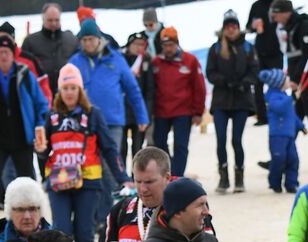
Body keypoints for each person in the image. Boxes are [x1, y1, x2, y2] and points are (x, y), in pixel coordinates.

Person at [39, 64, 126, 242]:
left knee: (85, 236)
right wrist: (39, 151)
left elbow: (108, 147)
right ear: (60, 91)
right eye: (66, 88)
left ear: (80, 90)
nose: (69, 92)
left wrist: (123, 178)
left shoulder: (93, 114)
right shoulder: (51, 118)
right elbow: (43, 152)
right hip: (59, 184)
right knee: (61, 235)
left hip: (88, 182)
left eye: (73, 87)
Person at [70, 19, 151, 225]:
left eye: (91, 39)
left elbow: (132, 88)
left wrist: (142, 116)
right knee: (90, 166)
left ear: (99, 39)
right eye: (84, 40)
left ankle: (110, 214)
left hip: (112, 121)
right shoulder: (75, 62)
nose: (88, 43)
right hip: (83, 122)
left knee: (109, 165)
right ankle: (98, 214)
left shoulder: (115, 59)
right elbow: (65, 91)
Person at [0, 36, 51, 232]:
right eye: (0, 52)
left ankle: (36, 220)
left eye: (7, 52)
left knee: (28, 179)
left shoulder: (25, 74)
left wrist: (40, 128)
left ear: (13, 54)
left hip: (21, 137)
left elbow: (40, 103)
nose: (4, 56)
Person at [97, 146, 172, 242]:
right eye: (138, 181)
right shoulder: (120, 211)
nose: (143, 189)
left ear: (167, 177)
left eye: (150, 182)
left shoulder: (183, 211)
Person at [207, 11, 260, 194]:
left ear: (238, 28)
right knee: (220, 139)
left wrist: (244, 83)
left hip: (241, 100)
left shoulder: (248, 48)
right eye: (228, 27)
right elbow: (210, 72)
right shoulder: (215, 48)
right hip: (221, 100)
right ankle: (223, 177)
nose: (231, 30)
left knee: (236, 140)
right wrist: (224, 81)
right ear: (223, 29)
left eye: (234, 26)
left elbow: (255, 71)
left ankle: (239, 177)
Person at [150, 28, 206, 178]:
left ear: (177, 44)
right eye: (165, 45)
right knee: (159, 143)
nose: (168, 49)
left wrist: (198, 112)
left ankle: (177, 176)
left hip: (183, 111)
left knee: (181, 146)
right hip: (161, 110)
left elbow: (199, 87)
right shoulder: (156, 62)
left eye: (171, 45)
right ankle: (169, 171)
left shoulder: (190, 60)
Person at [260, 69, 305, 193]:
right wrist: (292, 98)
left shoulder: (285, 96)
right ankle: (275, 182)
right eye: (286, 79)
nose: (289, 81)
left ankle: (291, 183)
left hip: (289, 135)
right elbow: (279, 108)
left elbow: (291, 114)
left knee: (293, 159)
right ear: (279, 83)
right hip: (277, 135)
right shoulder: (272, 96)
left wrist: (300, 126)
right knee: (279, 159)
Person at [22, 3, 79, 95]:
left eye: (56, 20)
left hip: (67, 94)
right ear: (43, 19)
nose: (53, 23)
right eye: (50, 20)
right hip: (41, 94)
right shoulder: (31, 42)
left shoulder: (71, 39)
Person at [120, 32, 156, 164]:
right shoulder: (120, 59)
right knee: (121, 148)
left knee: (138, 150)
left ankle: (137, 179)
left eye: (142, 44)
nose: (139, 47)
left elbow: (150, 90)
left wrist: (147, 114)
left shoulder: (146, 61)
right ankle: (122, 181)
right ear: (130, 44)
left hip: (139, 112)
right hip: (122, 111)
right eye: (136, 44)